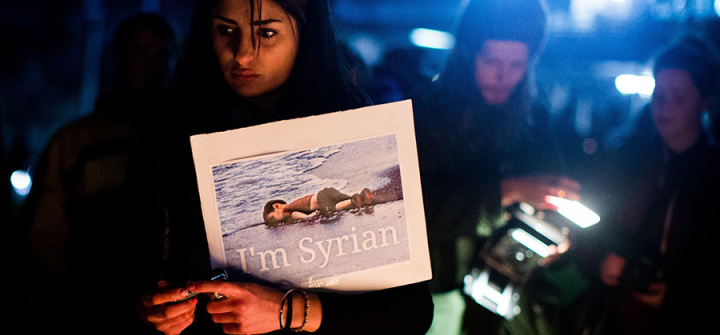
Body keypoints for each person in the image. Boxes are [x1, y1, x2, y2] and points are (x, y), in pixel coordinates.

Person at [134, 1, 434, 335]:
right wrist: (159, 310)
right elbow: (150, 269)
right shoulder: (175, 133)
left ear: (307, 33)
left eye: (266, 32)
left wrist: (286, 311)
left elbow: (412, 311)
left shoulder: (360, 129)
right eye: (225, 30)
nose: (243, 53)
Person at [412, 0, 581, 334]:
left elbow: (555, 190)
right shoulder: (427, 117)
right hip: (438, 295)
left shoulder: (534, 119)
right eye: (492, 61)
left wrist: (557, 234)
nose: (504, 76)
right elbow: (417, 214)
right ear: (466, 55)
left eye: (517, 64)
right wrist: (510, 190)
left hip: (508, 298)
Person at [21, 13, 179, 334]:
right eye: (141, 54)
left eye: (163, 55)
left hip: (168, 312)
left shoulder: (180, 139)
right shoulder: (75, 142)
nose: (153, 67)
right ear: (119, 60)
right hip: (87, 311)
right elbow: (43, 237)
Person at [588, 34, 720, 335]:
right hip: (618, 318)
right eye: (658, 94)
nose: (663, 107)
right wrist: (602, 260)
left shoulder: (712, 176)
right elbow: (599, 224)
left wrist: (677, 296)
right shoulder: (630, 161)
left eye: (679, 97)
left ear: (705, 102)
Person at [263, 187, 373, 226]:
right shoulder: (294, 206)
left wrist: (309, 217)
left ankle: (354, 200)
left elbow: (296, 215)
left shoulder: (289, 208)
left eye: (272, 218)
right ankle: (362, 197)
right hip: (327, 193)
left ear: (276, 206)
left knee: (332, 208)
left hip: (321, 198)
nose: (274, 222)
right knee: (343, 201)